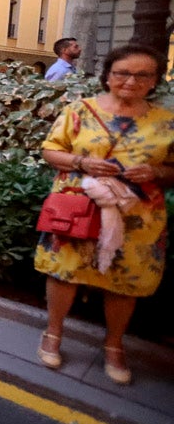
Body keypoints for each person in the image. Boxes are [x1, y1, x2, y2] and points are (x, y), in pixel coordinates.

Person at [34, 44, 174, 385]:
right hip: (79, 206)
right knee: (65, 271)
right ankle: (52, 334)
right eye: (122, 73)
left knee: (124, 281)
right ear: (108, 76)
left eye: (142, 75)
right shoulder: (80, 110)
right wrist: (82, 162)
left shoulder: (167, 122)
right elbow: (51, 150)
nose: (131, 81)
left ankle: (114, 345)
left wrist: (156, 173)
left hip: (137, 215)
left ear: (155, 80)